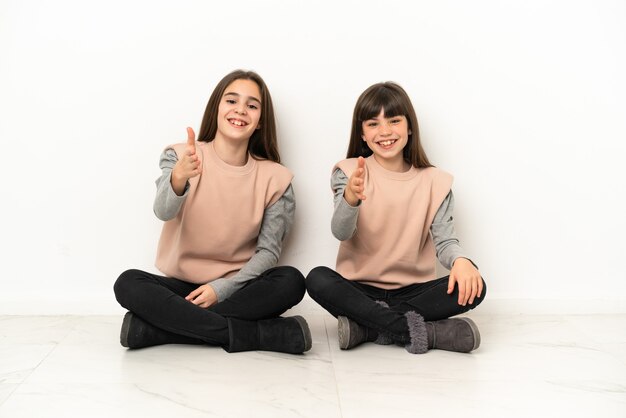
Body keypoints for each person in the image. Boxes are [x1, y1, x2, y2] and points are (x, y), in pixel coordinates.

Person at [114, 70, 311, 354]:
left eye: (252, 105)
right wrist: (178, 178)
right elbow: (163, 212)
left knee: (290, 281)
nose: (240, 110)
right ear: (217, 108)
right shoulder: (181, 156)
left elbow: (268, 253)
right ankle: (260, 335)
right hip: (182, 289)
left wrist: (222, 289)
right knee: (128, 283)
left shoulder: (276, 179)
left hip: (238, 287)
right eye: (231, 101)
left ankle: (158, 330)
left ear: (259, 122)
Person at [306, 82, 486, 354]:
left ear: (409, 127)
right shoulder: (350, 171)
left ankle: (367, 327)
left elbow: (446, 241)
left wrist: (462, 261)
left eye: (394, 120)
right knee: (317, 278)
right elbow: (341, 232)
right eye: (373, 124)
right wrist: (350, 199)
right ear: (362, 134)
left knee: (476, 285)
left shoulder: (435, 181)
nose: (385, 131)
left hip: (414, 292)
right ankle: (422, 332)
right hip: (359, 291)